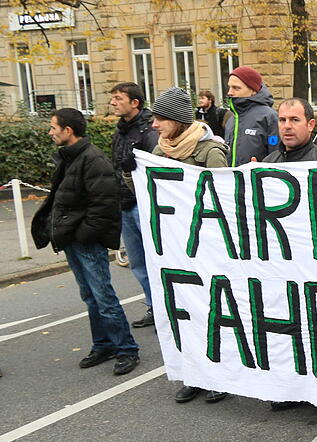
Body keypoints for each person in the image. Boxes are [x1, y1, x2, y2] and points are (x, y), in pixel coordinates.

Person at [31, 108, 140, 376]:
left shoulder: (93, 160)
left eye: (53, 127)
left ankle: (127, 349)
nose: (50, 132)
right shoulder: (69, 157)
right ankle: (103, 344)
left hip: (85, 241)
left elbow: (104, 206)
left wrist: (82, 235)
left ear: (68, 131)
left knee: (103, 297)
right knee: (90, 296)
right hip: (73, 238)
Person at [258, 97, 317, 421]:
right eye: (282, 120)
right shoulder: (267, 163)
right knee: (287, 324)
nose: (287, 126)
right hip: (281, 262)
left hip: (316, 263)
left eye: (294, 120)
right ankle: (294, 388)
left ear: (310, 124)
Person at [149, 87, 231, 402]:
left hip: (208, 246)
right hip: (176, 246)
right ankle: (195, 373)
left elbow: (224, 197)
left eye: (161, 118)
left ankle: (222, 376)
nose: (155, 124)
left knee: (213, 311)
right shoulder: (159, 152)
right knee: (185, 312)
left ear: (177, 120)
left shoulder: (210, 151)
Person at [108, 82, 158, 330]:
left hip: (144, 206)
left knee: (156, 260)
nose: (113, 103)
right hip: (125, 205)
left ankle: (166, 308)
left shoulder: (150, 131)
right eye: (113, 98)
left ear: (134, 102)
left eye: (119, 98)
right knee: (137, 262)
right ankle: (153, 306)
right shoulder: (120, 132)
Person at [222, 65, 279, 165]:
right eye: (229, 87)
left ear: (253, 90)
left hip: (259, 174)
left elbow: (276, 153)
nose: (230, 92)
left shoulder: (269, 117)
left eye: (236, 88)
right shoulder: (232, 119)